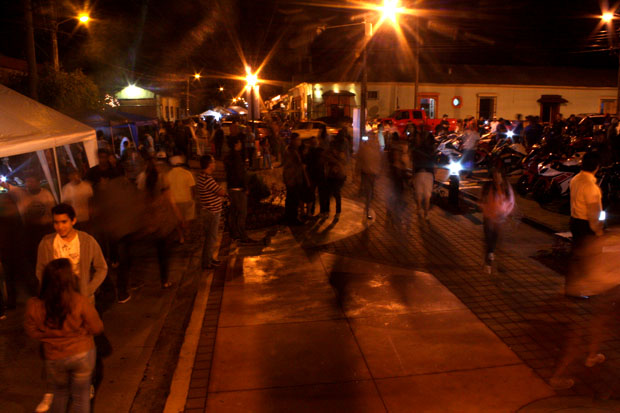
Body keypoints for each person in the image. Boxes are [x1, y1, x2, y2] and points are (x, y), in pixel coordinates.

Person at [24, 258, 104, 413]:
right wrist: (82, 332)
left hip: (54, 356)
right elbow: (97, 327)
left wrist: (48, 336)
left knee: (59, 394)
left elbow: (31, 330)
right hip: (82, 353)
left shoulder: (34, 304)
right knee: (81, 397)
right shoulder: (79, 301)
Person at [36, 203, 108, 304]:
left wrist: (89, 289)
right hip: (57, 299)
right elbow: (40, 269)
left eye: (64, 222)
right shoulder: (47, 243)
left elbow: (101, 268)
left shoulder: (87, 241)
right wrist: (50, 290)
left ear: (73, 221)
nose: (60, 227)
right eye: (56, 222)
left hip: (83, 298)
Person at [480, 166, 515, 275]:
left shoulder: (506, 187)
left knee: (497, 240)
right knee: (489, 240)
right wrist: (487, 211)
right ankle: (488, 262)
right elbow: (482, 201)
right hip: (489, 217)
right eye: (495, 176)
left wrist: (505, 213)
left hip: (500, 218)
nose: (497, 179)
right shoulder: (488, 187)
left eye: (498, 176)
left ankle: (497, 261)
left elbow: (511, 202)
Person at [196, 155, 227, 269]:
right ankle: (207, 262)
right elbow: (221, 192)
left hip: (209, 211)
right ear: (209, 164)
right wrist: (224, 192)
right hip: (212, 212)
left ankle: (209, 259)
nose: (215, 164)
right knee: (211, 238)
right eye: (213, 162)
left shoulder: (202, 177)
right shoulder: (207, 179)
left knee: (210, 238)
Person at [226, 138, 255, 242]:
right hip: (238, 188)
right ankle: (242, 234)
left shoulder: (229, 156)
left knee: (234, 212)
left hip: (231, 187)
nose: (241, 144)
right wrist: (245, 187)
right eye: (239, 142)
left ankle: (234, 233)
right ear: (236, 144)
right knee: (242, 213)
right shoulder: (236, 157)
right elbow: (240, 174)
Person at [167, 155, 196, 244]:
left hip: (175, 201)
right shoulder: (187, 173)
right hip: (187, 199)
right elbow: (192, 188)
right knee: (187, 218)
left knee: (177, 221)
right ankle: (187, 233)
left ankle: (181, 237)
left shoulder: (168, 175)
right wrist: (193, 198)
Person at [356, 131, 381, 220]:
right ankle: (367, 209)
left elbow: (359, 160)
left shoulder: (367, 147)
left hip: (369, 173)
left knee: (369, 192)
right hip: (368, 173)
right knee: (369, 192)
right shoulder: (370, 147)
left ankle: (367, 207)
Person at [282, 133, 306, 225]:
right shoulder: (291, 151)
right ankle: (292, 218)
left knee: (292, 199)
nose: (300, 141)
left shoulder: (295, 150)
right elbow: (290, 166)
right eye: (298, 139)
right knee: (293, 199)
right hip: (292, 179)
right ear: (293, 141)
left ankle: (291, 217)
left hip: (294, 178)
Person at [61, 168, 94, 232]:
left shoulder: (87, 186)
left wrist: (91, 215)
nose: (74, 176)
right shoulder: (66, 189)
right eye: (72, 174)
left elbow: (90, 202)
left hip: (86, 218)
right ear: (69, 177)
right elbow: (66, 206)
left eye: (76, 173)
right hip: (74, 220)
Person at [412, 132, 436, 220]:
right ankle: (426, 214)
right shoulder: (431, 150)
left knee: (418, 193)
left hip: (419, 173)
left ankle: (418, 209)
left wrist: (413, 175)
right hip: (429, 173)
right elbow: (433, 164)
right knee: (427, 195)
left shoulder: (416, 150)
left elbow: (414, 164)